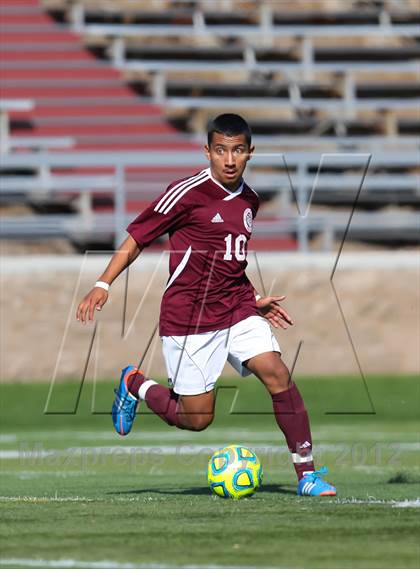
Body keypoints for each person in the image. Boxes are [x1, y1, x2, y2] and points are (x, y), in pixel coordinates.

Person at [76, 113, 336, 497]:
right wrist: (103, 283)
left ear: (250, 153)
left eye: (237, 150)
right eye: (220, 150)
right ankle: (135, 384)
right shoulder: (185, 193)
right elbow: (137, 236)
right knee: (197, 419)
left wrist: (251, 299)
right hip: (189, 317)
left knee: (277, 374)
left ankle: (307, 475)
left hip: (236, 307)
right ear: (207, 152)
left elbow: (232, 259)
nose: (229, 159)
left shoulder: (250, 200)